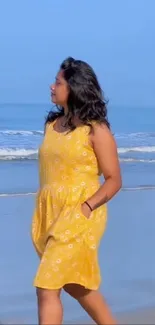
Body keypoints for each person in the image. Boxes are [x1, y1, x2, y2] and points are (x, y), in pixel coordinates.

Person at [31, 57, 122, 325]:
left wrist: (87, 207)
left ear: (74, 87)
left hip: (80, 214)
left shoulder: (95, 129)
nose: (52, 86)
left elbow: (114, 179)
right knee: (74, 285)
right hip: (50, 212)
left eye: (58, 82)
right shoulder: (52, 125)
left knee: (46, 286)